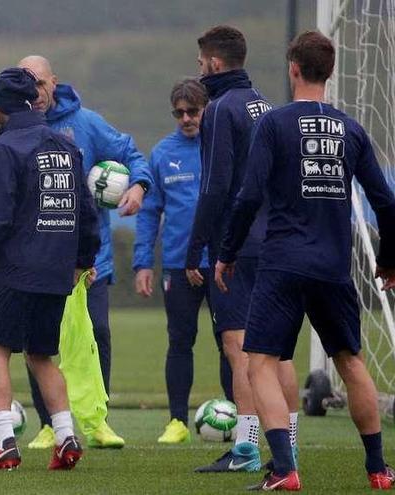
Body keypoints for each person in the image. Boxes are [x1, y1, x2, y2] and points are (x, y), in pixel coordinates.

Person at [217, 30, 395, 491]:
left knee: (260, 362)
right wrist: (390, 258)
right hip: (334, 267)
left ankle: (284, 469)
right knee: (351, 361)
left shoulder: (273, 125)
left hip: (281, 264)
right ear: (329, 71)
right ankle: (378, 469)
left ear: (293, 69)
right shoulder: (351, 130)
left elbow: (248, 195)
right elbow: (386, 202)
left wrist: (227, 253)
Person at [0, 67, 100, 471]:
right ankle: (66, 436)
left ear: (0, 109)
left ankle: (5, 442)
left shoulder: (5, 150)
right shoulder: (66, 146)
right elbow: (87, 213)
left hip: (17, 270)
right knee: (43, 356)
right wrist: (83, 261)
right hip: (57, 272)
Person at [17, 54, 151, 450]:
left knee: (97, 336)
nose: (35, 92)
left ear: (54, 82)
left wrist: (139, 185)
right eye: (26, 84)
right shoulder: (17, 128)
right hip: (39, 258)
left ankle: (97, 423)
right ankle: (48, 423)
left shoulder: (87, 124)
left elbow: (132, 154)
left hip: (91, 261)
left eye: (40, 83)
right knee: (40, 341)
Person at [185, 25, 300, 473]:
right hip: (275, 240)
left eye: (200, 64)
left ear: (214, 63)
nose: (199, 71)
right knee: (279, 352)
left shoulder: (220, 109)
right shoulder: (265, 105)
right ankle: (287, 446)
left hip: (239, 245)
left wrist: (197, 247)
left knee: (240, 348)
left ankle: (247, 449)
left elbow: (215, 188)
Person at [132, 78, 233, 444]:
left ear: (207, 109)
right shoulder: (162, 154)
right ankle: (177, 421)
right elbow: (149, 212)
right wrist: (143, 262)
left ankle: (237, 414)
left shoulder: (224, 148)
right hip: (177, 264)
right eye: (179, 113)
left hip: (223, 263)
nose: (186, 118)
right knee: (179, 340)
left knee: (230, 342)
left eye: (193, 111)